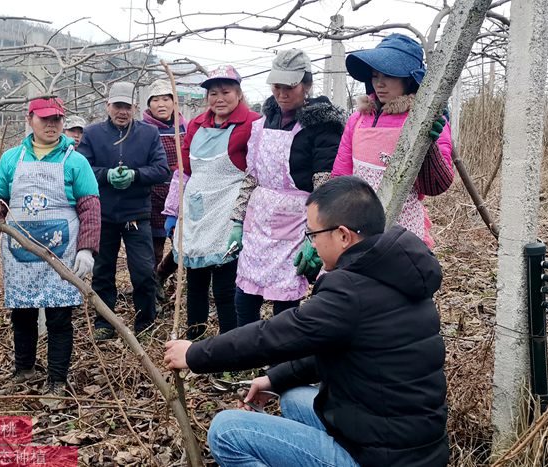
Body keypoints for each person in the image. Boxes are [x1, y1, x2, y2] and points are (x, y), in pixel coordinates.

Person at [164, 176, 448, 467]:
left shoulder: (350, 292)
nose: (311, 242)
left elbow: (271, 336)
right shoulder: (395, 272)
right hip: (408, 446)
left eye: (313, 234)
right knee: (293, 396)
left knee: (227, 431)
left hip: (378, 457)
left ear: (342, 235)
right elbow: (338, 348)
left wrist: (194, 354)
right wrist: (272, 378)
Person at [0, 97, 101, 397]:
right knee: (22, 314)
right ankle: (24, 369)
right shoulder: (11, 159)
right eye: (44, 119)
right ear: (30, 119)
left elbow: (91, 209)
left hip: (62, 253)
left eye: (57, 119)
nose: (51, 124)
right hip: (21, 255)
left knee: (59, 318)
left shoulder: (75, 161)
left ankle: (57, 379)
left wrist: (87, 249)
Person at [229, 49, 345, 327]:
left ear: (306, 85)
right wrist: (236, 219)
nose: (281, 94)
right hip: (258, 223)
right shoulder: (263, 122)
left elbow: (324, 185)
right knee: (245, 297)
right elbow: (251, 175)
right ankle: (244, 356)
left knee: (285, 305)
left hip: (296, 224)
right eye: (277, 86)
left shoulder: (322, 125)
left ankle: (280, 365)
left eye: (289, 87)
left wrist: (315, 236)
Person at [162, 65, 260, 340]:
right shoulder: (196, 125)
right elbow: (183, 170)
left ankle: (227, 348)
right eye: (213, 93)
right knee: (195, 282)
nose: (219, 98)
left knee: (225, 288)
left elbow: (256, 172)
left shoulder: (253, 123)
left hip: (228, 213)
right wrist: (173, 210)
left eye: (226, 91)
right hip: (196, 213)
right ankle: (194, 344)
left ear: (239, 93)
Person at [332, 33, 454, 249]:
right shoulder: (358, 120)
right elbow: (341, 175)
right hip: (360, 224)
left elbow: (437, 185)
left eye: (389, 75)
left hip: (403, 231)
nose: (380, 84)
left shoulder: (423, 119)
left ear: (409, 79)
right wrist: (330, 223)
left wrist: (428, 146)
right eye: (375, 75)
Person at [77, 81, 170, 340]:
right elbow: (81, 168)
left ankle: (145, 322)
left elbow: (162, 170)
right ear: (108, 106)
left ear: (135, 107)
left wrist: (135, 175)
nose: (122, 111)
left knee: (142, 271)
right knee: (103, 271)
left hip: (137, 214)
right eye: (117, 106)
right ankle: (105, 323)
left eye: (127, 106)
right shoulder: (93, 134)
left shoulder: (148, 133)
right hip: (104, 214)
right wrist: (106, 175)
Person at [142, 79, 185, 301]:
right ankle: (150, 292)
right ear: (149, 105)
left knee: (181, 245)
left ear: (174, 102)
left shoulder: (185, 127)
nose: (161, 104)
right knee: (153, 248)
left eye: (166, 99)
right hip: (154, 195)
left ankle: (162, 274)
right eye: (156, 100)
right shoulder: (142, 130)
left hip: (181, 196)